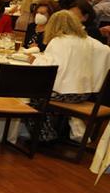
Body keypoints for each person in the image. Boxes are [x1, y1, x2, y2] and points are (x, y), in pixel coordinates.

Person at [29, 10, 110, 141]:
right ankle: (62, 129)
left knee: (31, 94)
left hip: (63, 94)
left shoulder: (58, 41)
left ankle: (45, 134)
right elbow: (106, 51)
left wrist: (35, 60)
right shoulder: (88, 41)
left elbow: (47, 68)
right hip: (83, 94)